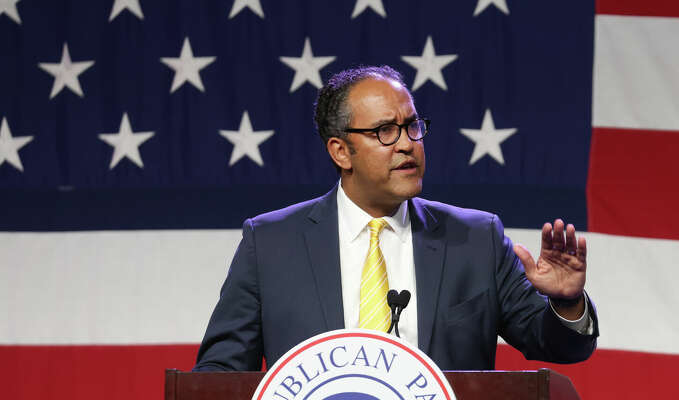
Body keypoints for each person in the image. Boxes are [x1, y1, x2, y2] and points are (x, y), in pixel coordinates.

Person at [194, 65, 598, 372]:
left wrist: (566, 303)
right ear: (340, 151)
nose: (407, 144)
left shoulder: (476, 239)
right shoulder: (270, 244)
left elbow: (560, 347)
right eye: (385, 131)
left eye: (412, 127)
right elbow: (220, 375)